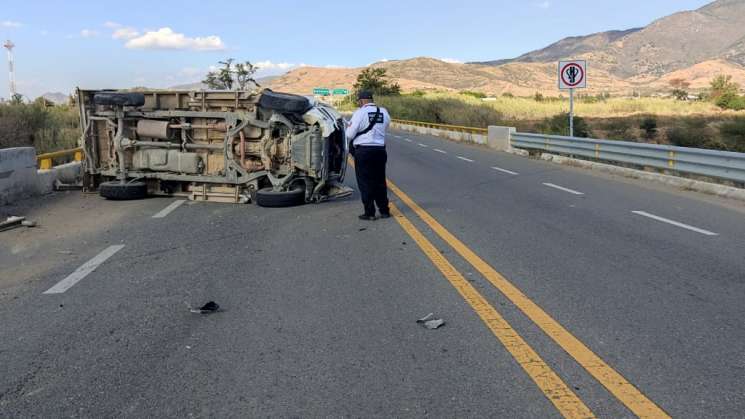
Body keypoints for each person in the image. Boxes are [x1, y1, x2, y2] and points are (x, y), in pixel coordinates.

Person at [345, 90, 391, 221]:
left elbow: (349, 134)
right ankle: (384, 211)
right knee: (380, 181)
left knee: (365, 182)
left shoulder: (359, 113)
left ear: (361, 101)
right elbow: (386, 125)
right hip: (380, 151)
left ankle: (369, 212)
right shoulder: (383, 112)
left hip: (364, 152)